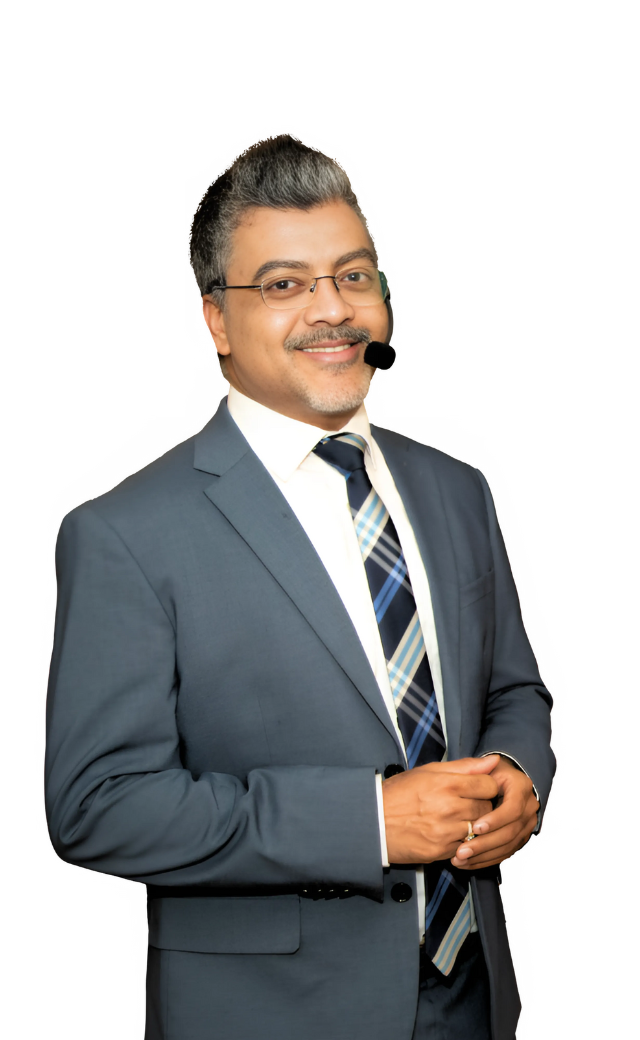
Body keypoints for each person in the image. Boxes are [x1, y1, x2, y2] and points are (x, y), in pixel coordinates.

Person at [44, 133, 555, 1040]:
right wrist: (367, 823)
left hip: (476, 997)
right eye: (284, 284)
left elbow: (514, 689)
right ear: (215, 320)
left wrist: (519, 774)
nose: (332, 310)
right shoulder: (123, 533)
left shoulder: (457, 487)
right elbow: (98, 808)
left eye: (354, 276)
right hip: (271, 1016)